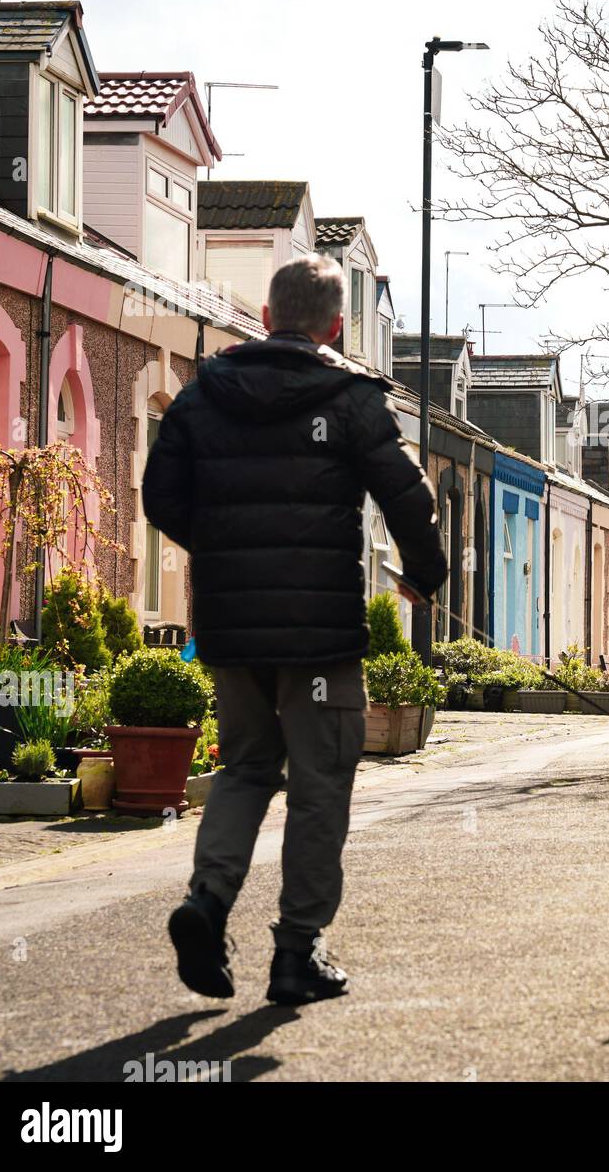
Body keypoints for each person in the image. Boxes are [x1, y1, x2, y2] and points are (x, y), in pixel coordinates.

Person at [142, 253, 447, 1005]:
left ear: (268, 313)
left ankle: (207, 903)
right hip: (321, 640)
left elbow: (159, 498)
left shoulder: (202, 393)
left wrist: (223, 551)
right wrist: (424, 577)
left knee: (246, 769)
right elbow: (409, 497)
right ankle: (295, 954)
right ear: (337, 324)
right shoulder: (349, 397)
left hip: (233, 631)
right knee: (319, 787)